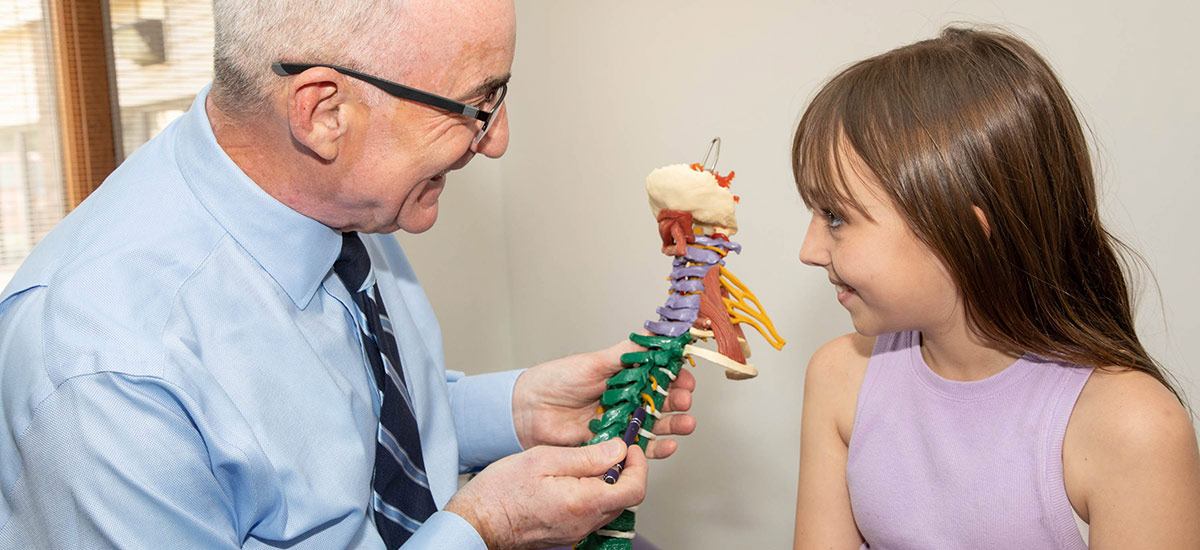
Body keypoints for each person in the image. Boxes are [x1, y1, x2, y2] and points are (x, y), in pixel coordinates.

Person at [0, 1, 697, 548]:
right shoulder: (104, 369)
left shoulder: (331, 194)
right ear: (324, 111)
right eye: (475, 105)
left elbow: (323, 429)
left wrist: (518, 411)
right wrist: (485, 530)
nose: (499, 137)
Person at [790, 27, 1200, 549]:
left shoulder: (1132, 428)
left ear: (961, 229)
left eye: (836, 216)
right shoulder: (840, 378)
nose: (809, 250)